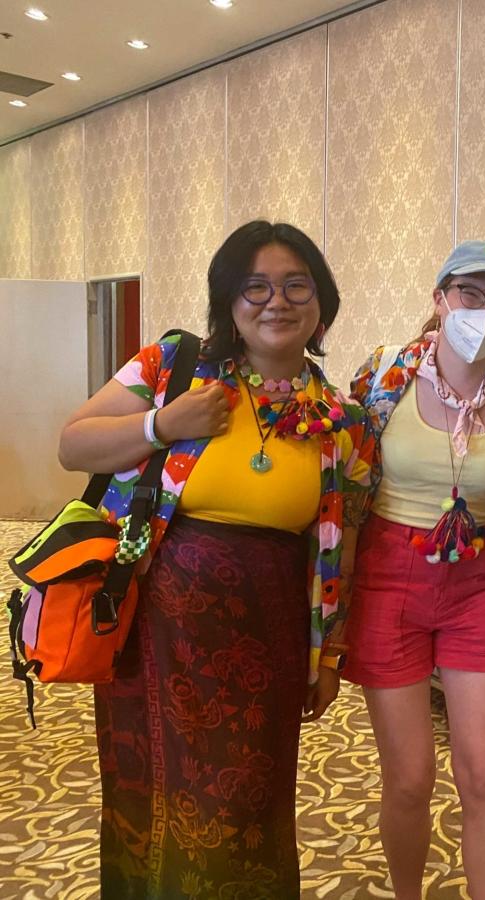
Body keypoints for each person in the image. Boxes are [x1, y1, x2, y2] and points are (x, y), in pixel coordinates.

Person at [57, 220, 374, 897]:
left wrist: (329, 657)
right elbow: (73, 444)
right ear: (228, 300)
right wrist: (163, 424)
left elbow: (341, 552)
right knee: (149, 795)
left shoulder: (339, 419)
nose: (276, 301)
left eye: (296, 286)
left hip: (267, 647)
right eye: (254, 287)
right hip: (154, 639)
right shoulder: (174, 365)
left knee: (246, 804)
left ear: (321, 303)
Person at [344, 240, 485, 900]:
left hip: (475, 581)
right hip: (387, 578)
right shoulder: (385, 374)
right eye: (470, 295)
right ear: (440, 298)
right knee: (409, 778)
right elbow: (340, 470)